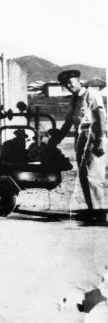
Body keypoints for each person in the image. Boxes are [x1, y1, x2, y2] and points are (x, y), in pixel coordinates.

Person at [55, 70, 106, 223]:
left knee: (94, 176)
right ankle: (92, 210)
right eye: (66, 84)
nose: (69, 86)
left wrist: (99, 141)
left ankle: (100, 212)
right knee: (84, 175)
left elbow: (101, 118)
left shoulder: (91, 94)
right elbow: (68, 122)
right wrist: (56, 139)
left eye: (71, 82)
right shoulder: (74, 99)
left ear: (79, 81)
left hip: (93, 134)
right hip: (80, 136)